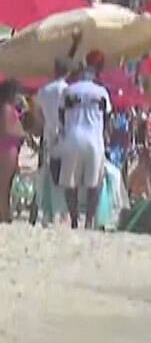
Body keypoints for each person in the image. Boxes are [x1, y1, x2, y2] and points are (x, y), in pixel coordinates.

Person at [56, 64, 110, 230]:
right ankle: (88, 220)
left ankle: (74, 220)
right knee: (94, 183)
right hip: (95, 140)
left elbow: (61, 113)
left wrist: (66, 129)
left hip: (73, 137)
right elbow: (107, 117)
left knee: (70, 182)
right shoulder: (102, 92)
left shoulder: (69, 90)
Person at [30, 62, 73, 228]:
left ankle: (46, 212)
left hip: (48, 134)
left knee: (46, 174)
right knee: (64, 175)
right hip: (64, 135)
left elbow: (38, 114)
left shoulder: (44, 90)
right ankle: (63, 212)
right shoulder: (67, 89)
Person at [0, 81, 25, 225]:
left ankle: (5, 212)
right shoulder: (6, 108)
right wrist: (21, 133)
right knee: (4, 184)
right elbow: (6, 130)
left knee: (7, 184)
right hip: (7, 147)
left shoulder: (8, 108)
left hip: (9, 148)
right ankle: (4, 214)